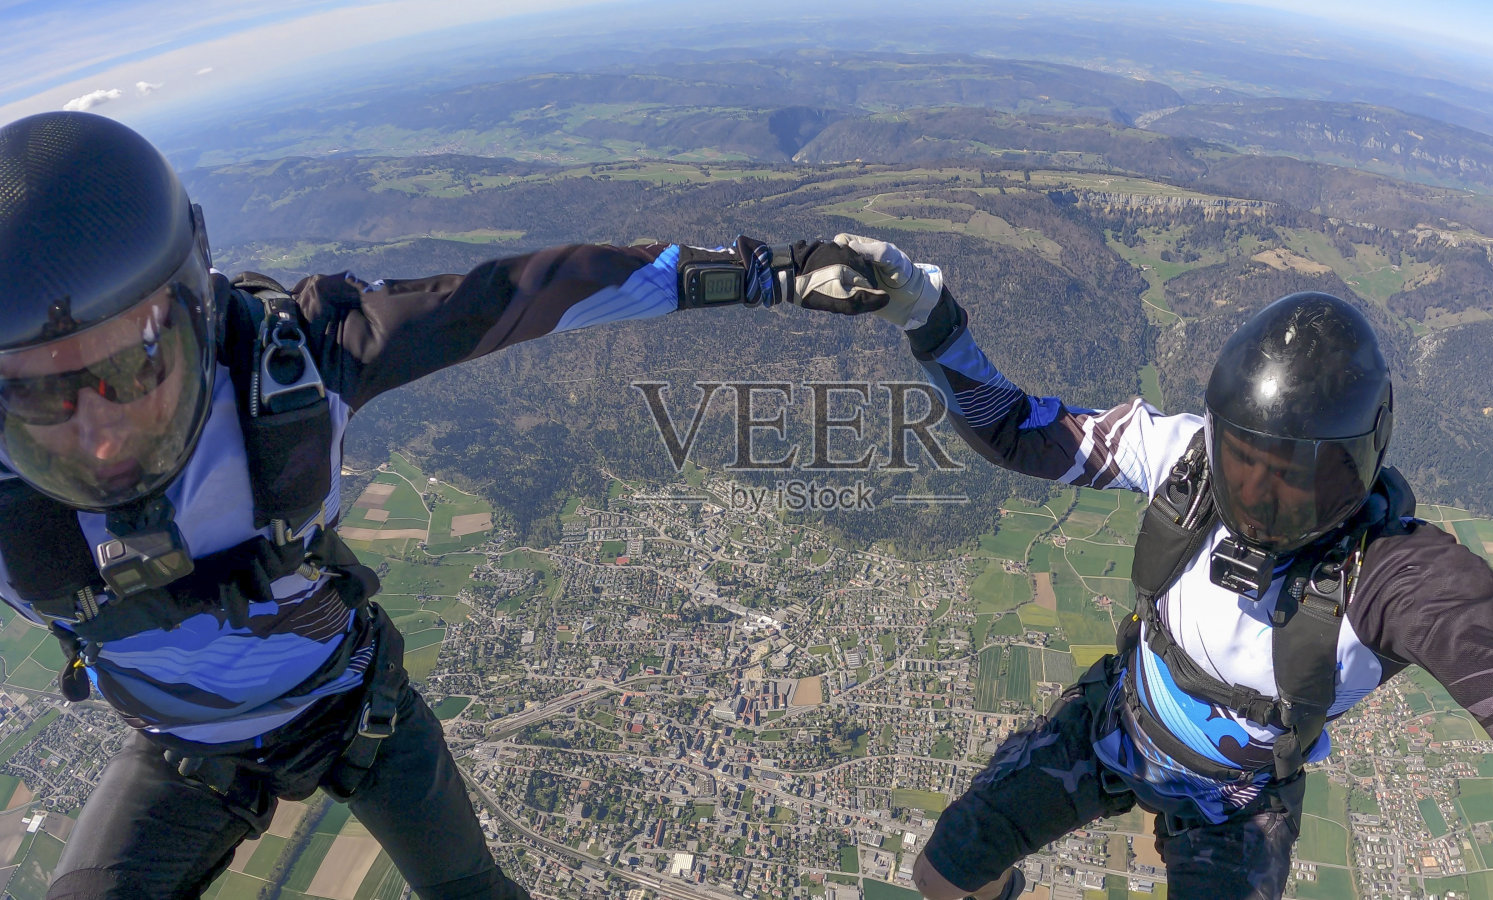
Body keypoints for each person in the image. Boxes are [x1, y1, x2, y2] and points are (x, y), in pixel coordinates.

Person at [0, 110, 878, 900]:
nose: (101, 435)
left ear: (196, 310)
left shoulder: (301, 363)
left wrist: (772, 274)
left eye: (130, 368)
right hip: (190, 750)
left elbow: (526, 290)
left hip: (351, 709)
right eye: (39, 400)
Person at [796, 234, 1493, 900]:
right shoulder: (1186, 458)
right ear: (1216, 436)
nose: (1258, 500)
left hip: (1237, 806)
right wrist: (930, 319)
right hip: (1118, 723)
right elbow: (1016, 429)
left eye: (1295, 477)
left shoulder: (1393, 573)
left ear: (1356, 469)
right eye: (1243, 463)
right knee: (943, 878)